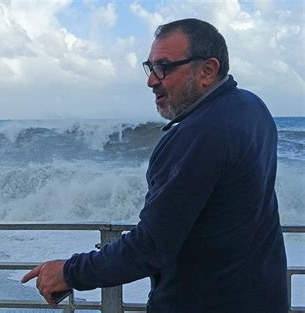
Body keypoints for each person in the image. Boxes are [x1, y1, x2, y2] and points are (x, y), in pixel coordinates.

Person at [21, 18, 288, 313]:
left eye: (164, 67)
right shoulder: (252, 107)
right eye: (150, 68)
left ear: (207, 71)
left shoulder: (200, 134)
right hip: (262, 295)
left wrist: (69, 272)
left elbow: (150, 246)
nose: (151, 80)